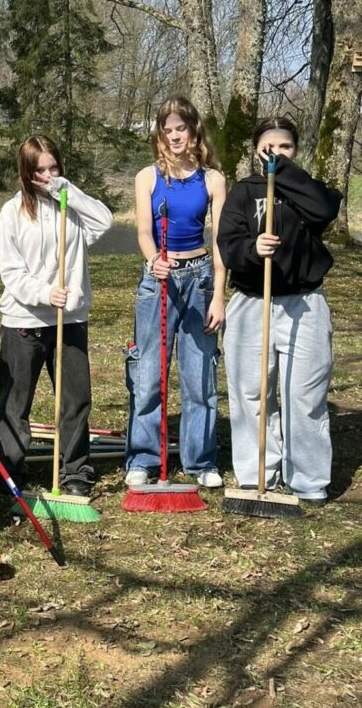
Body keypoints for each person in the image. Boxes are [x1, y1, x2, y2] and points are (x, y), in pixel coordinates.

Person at [217, 118, 341, 503]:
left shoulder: (309, 190)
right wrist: (255, 250)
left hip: (304, 303)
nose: (276, 152)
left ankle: (308, 479)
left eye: (285, 146)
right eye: (268, 146)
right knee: (251, 394)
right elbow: (227, 242)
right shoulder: (244, 191)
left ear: (294, 151)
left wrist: (283, 170)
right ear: (256, 150)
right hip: (254, 302)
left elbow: (323, 211)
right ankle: (257, 475)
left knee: (303, 394)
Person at [0, 135, 113, 495]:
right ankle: (11, 470)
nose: (48, 177)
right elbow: (12, 272)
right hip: (24, 321)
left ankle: (75, 470)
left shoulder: (72, 209)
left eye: (53, 168)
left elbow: (105, 221)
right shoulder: (11, 213)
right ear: (26, 173)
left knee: (75, 399)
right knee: (16, 402)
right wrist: (45, 293)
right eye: (39, 171)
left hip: (70, 319)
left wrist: (70, 192)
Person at [124, 96, 227, 489]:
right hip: (158, 282)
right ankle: (144, 458)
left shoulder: (213, 179)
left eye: (179, 128)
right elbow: (144, 233)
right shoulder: (147, 178)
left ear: (193, 129)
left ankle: (201, 461)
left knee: (200, 377)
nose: (173, 136)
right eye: (166, 130)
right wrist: (154, 261)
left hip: (199, 277)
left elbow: (220, 241)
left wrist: (219, 293)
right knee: (149, 374)